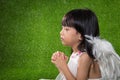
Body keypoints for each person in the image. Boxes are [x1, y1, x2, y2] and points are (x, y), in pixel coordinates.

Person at [51, 9, 120, 80]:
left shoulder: (85, 57)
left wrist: (63, 66)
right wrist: (60, 65)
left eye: (66, 29)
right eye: (62, 28)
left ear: (81, 35)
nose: (61, 32)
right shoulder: (76, 53)